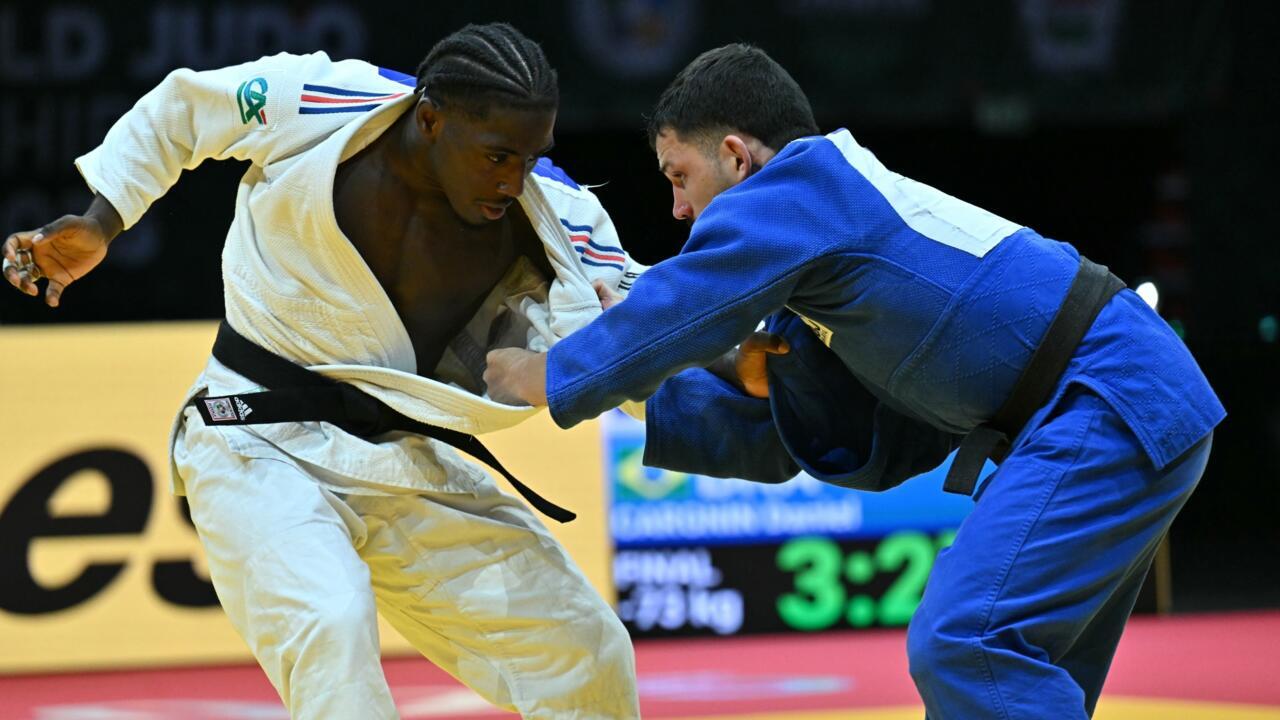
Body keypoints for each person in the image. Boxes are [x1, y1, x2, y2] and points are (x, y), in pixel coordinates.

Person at [484, 44, 1224, 719]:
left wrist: (549, 372)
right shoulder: (830, 267)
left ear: (738, 157)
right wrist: (645, 386)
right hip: (1112, 403)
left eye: (681, 176)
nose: (677, 208)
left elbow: (682, 306)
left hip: (1107, 394)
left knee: (968, 642)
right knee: (1016, 674)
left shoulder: (808, 184)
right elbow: (792, 439)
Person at [2, 23, 642, 720]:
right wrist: (104, 220)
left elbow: (648, 335)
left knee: (586, 646)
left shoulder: (561, 218)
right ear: (430, 120)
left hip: (401, 453)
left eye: (530, 156)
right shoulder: (319, 99)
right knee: (330, 628)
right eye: (496, 155)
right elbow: (181, 113)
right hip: (251, 432)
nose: (513, 179)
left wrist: (742, 370)